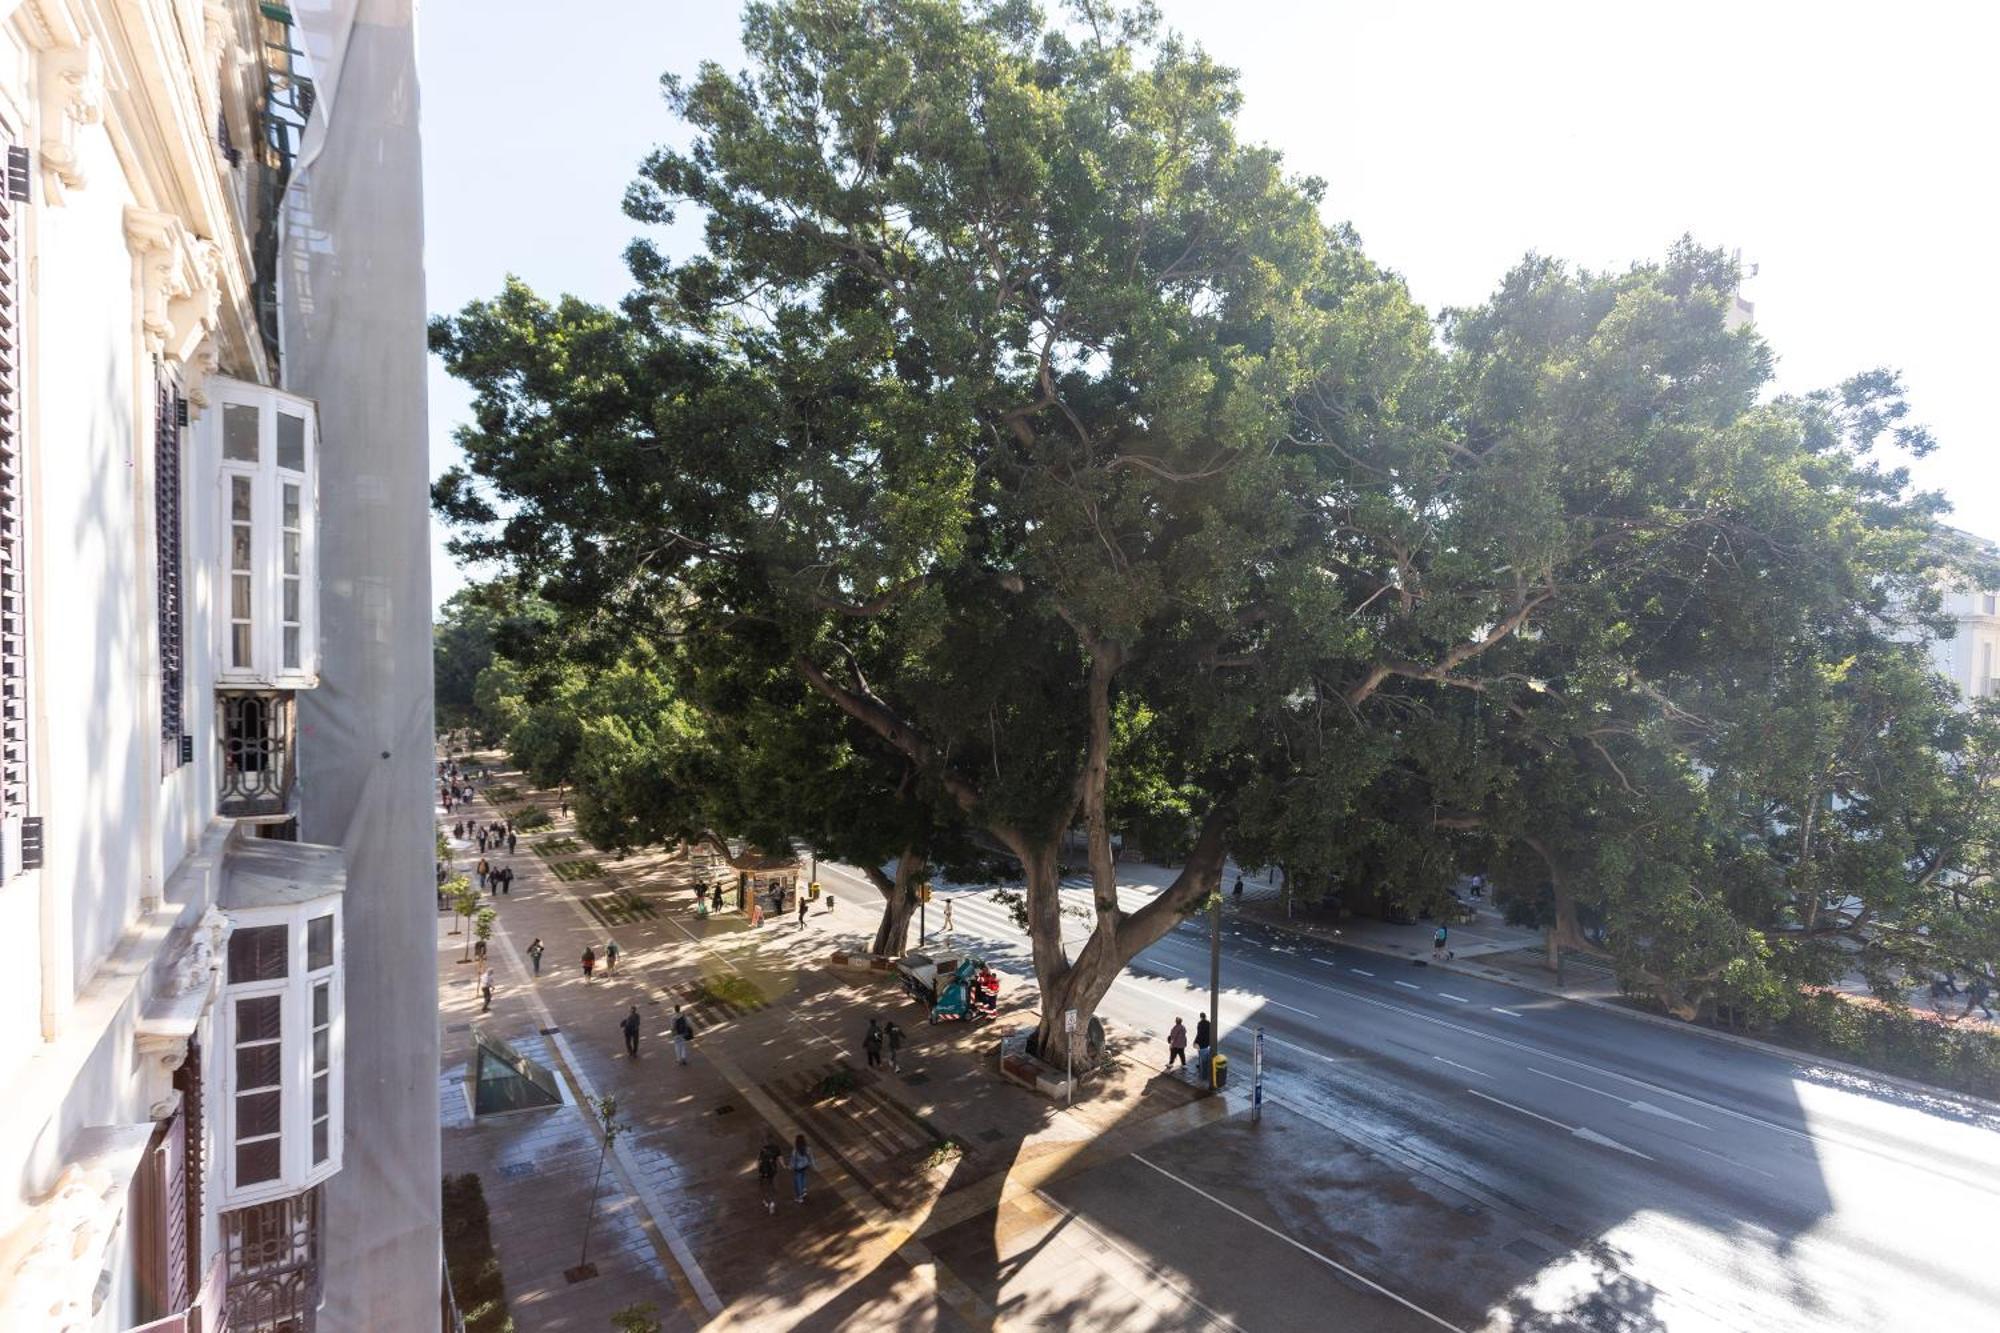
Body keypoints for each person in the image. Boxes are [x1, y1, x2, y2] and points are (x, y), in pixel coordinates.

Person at [757, 1138, 783, 1214]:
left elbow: (759, 1161)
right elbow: (780, 1158)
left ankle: (766, 1201)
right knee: (772, 1186)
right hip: (772, 1171)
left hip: (763, 1172)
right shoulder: (776, 1148)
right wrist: (783, 1165)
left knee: (764, 1187)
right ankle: (772, 1203)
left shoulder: (763, 1150)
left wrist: (758, 1169)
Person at [790, 1134, 814, 1203]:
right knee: (803, 1177)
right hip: (805, 1166)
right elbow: (811, 1157)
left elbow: (793, 1160)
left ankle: (799, 1197)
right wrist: (813, 1165)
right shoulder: (808, 1148)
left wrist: (790, 1166)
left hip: (798, 1168)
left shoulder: (795, 1150)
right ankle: (804, 1190)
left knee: (798, 1182)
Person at [1193, 1012, 1212, 1077]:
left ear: (1201, 1017)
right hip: (1207, 1041)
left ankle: (1201, 1064)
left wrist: (1195, 1041)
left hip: (1201, 1041)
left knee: (1200, 1053)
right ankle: (1204, 1064)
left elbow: (1199, 1034)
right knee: (1206, 1052)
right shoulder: (1209, 1023)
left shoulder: (1200, 1024)